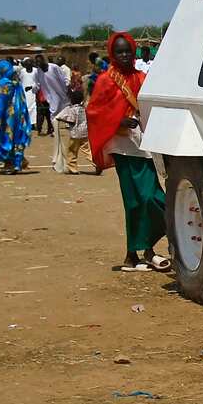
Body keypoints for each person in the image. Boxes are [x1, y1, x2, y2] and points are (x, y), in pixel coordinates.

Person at [87, 31, 169, 271]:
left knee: (153, 197)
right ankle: (135, 253)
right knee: (134, 200)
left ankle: (145, 249)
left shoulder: (141, 77)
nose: (124, 55)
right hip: (122, 146)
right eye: (119, 52)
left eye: (128, 51)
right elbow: (94, 111)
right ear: (112, 54)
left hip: (142, 144)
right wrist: (119, 121)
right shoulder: (106, 80)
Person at [0, 60, 31, 174]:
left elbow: (1, 103)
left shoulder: (3, 83)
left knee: (5, 138)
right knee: (16, 137)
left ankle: (10, 163)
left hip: (7, 117)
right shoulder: (16, 82)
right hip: (17, 114)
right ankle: (17, 162)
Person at [35, 54, 70, 170]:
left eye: (40, 62)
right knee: (54, 118)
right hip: (51, 99)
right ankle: (57, 155)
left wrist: (67, 89)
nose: (39, 65)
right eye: (37, 63)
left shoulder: (54, 67)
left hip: (62, 96)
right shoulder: (38, 72)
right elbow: (38, 83)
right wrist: (34, 89)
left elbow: (64, 78)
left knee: (65, 117)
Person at [54, 89, 90, 174]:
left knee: (72, 151)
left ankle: (73, 168)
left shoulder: (72, 109)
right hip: (85, 133)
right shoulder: (84, 109)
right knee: (88, 150)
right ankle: (96, 163)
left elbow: (71, 120)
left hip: (75, 134)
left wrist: (63, 119)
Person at [19, 59, 39, 132]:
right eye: (27, 65)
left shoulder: (36, 71)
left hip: (33, 92)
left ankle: (33, 124)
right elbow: (20, 81)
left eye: (29, 65)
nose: (28, 66)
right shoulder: (22, 71)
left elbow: (38, 82)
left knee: (33, 108)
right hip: (24, 92)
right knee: (25, 107)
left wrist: (31, 87)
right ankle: (26, 123)